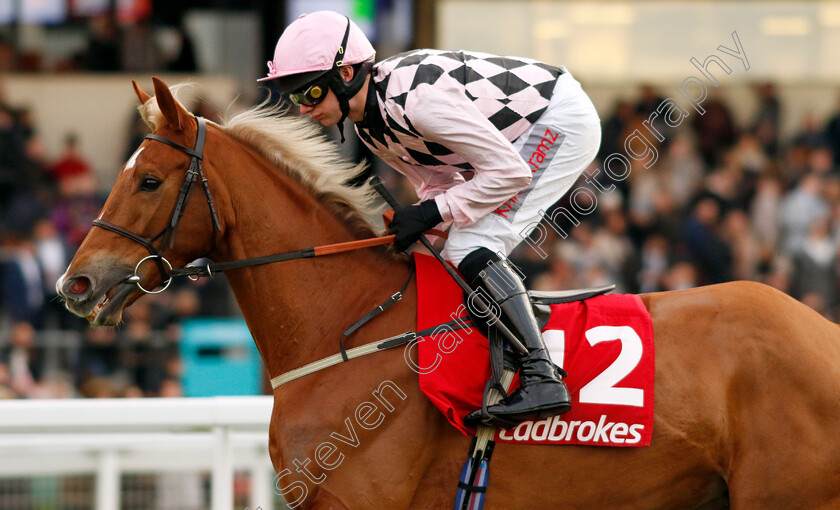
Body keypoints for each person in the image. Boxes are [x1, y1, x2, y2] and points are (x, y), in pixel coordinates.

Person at [259, 11, 601, 425]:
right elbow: (442, 183)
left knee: (472, 245)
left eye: (309, 94)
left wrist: (430, 213)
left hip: (559, 121)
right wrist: (423, 221)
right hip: (512, 144)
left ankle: (542, 375)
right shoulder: (370, 125)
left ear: (345, 73)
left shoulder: (416, 103)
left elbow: (510, 173)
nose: (302, 110)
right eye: (294, 98)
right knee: (437, 247)